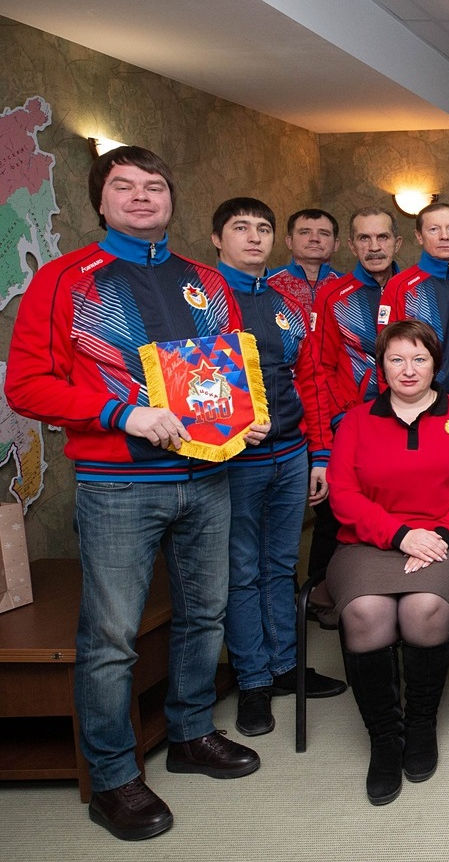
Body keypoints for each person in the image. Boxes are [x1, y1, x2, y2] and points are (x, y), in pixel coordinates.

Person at [5, 146, 266, 840]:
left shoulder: (206, 280)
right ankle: (113, 778)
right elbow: (25, 385)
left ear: (172, 198)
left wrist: (244, 417)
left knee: (204, 615)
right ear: (101, 200)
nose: (142, 196)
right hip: (119, 483)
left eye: (155, 185)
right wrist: (122, 414)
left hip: (209, 476)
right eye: (125, 186)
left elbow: (223, 372)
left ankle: (189, 734)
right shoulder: (65, 280)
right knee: (111, 636)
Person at [327, 319, 449, 805]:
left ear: (435, 365)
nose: (408, 369)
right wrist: (402, 536)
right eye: (396, 359)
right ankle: (385, 737)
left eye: (419, 359)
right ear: (381, 365)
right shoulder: (357, 421)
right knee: (366, 612)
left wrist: (438, 535)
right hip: (370, 541)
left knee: (423, 608)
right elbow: (343, 494)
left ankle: (421, 725)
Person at [209, 197, 345, 740]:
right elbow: (189, 379)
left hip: (291, 453)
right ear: (217, 238)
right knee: (242, 570)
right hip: (234, 458)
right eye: (241, 228)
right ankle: (254, 680)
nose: (254, 238)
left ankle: (287, 666)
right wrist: (224, 431)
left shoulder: (286, 302)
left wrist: (320, 453)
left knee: (281, 565)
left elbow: (309, 380)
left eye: (262, 228)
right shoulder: (202, 298)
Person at [307, 205, 404, 586]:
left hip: (410, 424)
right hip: (353, 424)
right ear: (351, 245)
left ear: (397, 242)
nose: (374, 246)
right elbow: (319, 369)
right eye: (364, 238)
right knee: (338, 518)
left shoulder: (413, 288)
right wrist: (338, 423)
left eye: (382, 237)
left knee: (402, 513)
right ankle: (322, 597)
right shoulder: (333, 295)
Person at [379, 201, 449, 396]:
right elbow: (386, 352)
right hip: (421, 398)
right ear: (419, 236)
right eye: (434, 229)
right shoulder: (400, 287)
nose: (444, 236)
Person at [266, 207, 341, 315]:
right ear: (289, 242)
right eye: (305, 232)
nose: (314, 238)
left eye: (324, 233)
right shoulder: (266, 284)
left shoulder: (350, 287)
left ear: (336, 244)